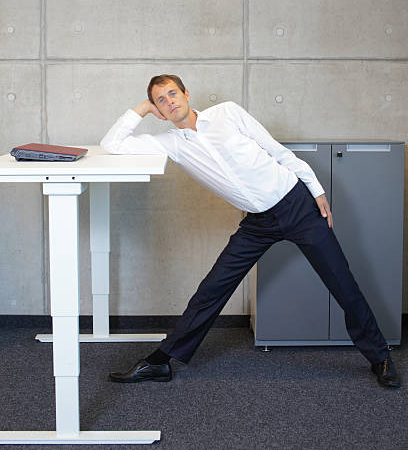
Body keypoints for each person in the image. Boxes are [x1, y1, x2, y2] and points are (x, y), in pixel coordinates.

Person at [100, 74, 400, 388]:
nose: (169, 102)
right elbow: (112, 145)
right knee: (212, 289)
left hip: (296, 205)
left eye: (173, 94)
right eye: (161, 100)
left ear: (187, 93)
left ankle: (380, 357)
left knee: (342, 283)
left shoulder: (228, 113)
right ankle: (160, 363)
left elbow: (278, 152)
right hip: (258, 222)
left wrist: (316, 189)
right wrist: (143, 109)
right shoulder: (170, 144)